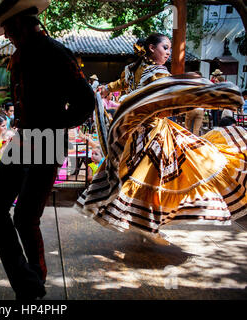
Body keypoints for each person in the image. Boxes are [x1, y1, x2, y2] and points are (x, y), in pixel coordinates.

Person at [0, 0, 95, 300]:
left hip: (47, 142)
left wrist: (52, 126)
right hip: (23, 141)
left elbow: (85, 103)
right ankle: (28, 282)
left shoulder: (55, 52)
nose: (7, 36)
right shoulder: (20, 54)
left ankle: (32, 285)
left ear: (26, 24)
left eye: (10, 29)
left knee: (25, 217)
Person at [78, 33, 245, 246]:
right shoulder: (157, 73)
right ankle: (145, 225)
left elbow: (120, 84)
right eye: (165, 47)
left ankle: (142, 225)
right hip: (155, 133)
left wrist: (106, 88)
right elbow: (168, 97)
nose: (168, 52)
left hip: (133, 134)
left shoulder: (130, 70)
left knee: (138, 178)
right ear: (150, 48)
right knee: (159, 179)